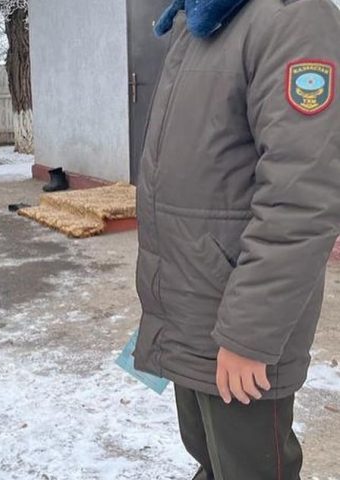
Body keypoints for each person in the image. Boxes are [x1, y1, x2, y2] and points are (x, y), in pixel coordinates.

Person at [133, 0, 340, 478]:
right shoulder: (199, 18)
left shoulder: (291, 17)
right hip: (193, 310)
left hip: (238, 325)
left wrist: (249, 336)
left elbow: (302, 199)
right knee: (210, 460)